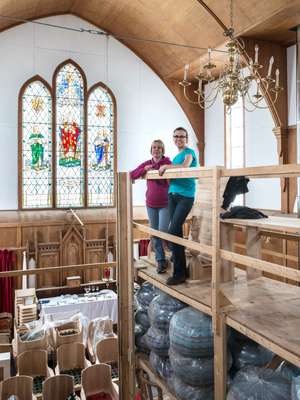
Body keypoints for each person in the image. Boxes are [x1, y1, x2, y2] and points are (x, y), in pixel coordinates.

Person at [159, 127, 198, 285]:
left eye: (182, 136)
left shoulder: (190, 153)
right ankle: (180, 264)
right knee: (175, 233)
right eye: (176, 136)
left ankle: (179, 273)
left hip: (185, 196)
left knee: (173, 230)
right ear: (173, 139)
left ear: (186, 138)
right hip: (172, 195)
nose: (179, 139)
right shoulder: (175, 157)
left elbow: (186, 165)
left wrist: (167, 166)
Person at [130, 140, 171, 273]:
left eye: (159, 148)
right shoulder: (147, 163)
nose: (156, 150)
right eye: (154, 147)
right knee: (154, 233)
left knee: (163, 231)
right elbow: (132, 174)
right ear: (151, 149)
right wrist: (144, 170)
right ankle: (160, 261)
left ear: (163, 150)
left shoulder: (167, 163)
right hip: (151, 204)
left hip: (165, 203)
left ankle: (175, 253)